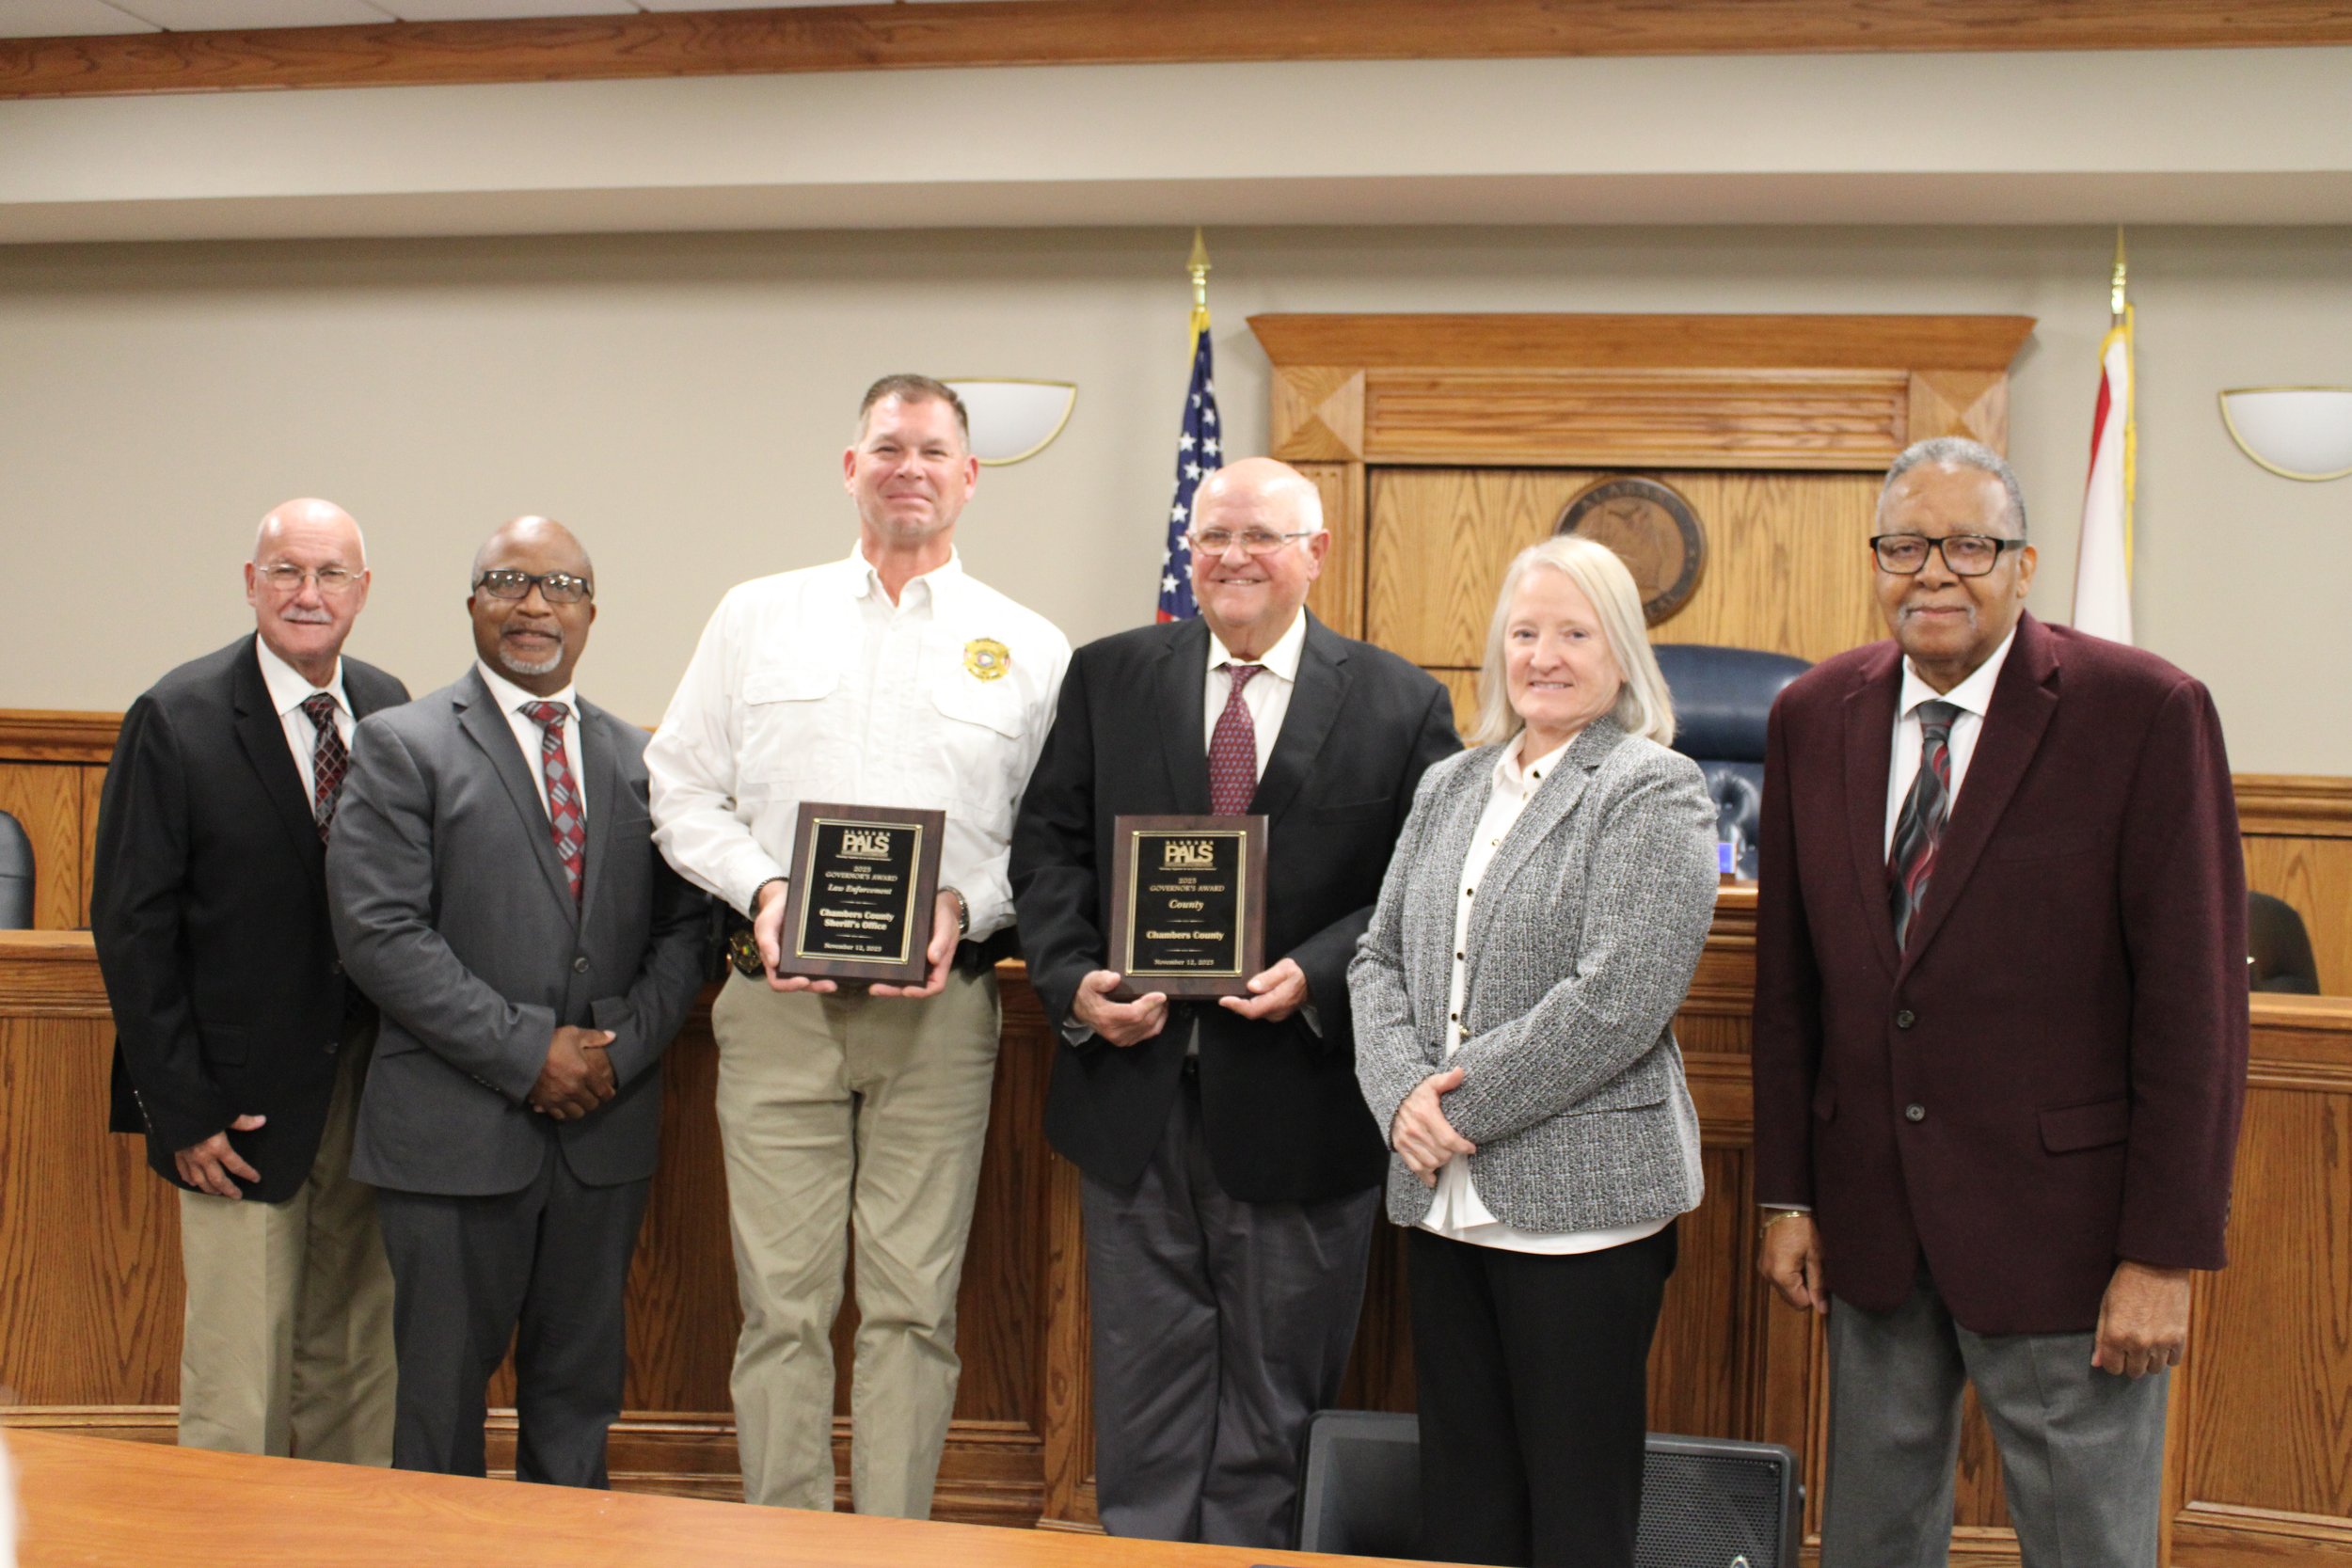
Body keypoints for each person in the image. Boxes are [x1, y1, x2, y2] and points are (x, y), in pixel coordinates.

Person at [1752, 437, 2249, 1568]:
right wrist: (1786, 1195)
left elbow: (2195, 1009)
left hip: (2069, 1236)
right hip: (1872, 1223)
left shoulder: (2143, 709)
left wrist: (2162, 1253)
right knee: (1871, 1542)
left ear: (2023, 565)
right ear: (1875, 562)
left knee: (2086, 1546)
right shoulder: (1813, 711)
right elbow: (1789, 989)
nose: (1933, 570)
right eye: (1904, 545)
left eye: (1968, 544)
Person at [1012, 457, 1459, 1547]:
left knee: (1276, 1399)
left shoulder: (1399, 701)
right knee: (1142, 1392)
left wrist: (1318, 968)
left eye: (1261, 536)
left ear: (1316, 553)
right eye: (1213, 536)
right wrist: (1075, 981)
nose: (1232, 557)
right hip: (1133, 1095)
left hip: (1301, 1098)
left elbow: (1423, 882)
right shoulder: (1108, 675)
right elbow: (1048, 850)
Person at [645, 375, 1070, 1517]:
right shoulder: (755, 617)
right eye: (887, 447)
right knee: (778, 1306)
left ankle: (893, 1542)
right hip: (774, 1005)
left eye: (932, 450)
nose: (908, 468)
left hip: (942, 1015)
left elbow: (1050, 835)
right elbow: (678, 787)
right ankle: (785, 1538)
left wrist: (962, 906)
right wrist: (765, 887)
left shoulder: (1029, 646)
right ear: (850, 468)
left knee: (913, 1308)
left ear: (969, 477)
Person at [1347, 534, 1717, 1568]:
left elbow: (1616, 1000)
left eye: (1573, 633)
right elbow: (1377, 957)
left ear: (1621, 651)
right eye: (1523, 633)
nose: (1543, 656)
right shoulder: (1450, 783)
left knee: (1574, 1512)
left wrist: (1448, 1110)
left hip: (1580, 1209)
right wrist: (1401, 1098)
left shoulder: (1653, 786)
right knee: (1465, 1506)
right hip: (1443, 1199)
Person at [326, 516, 707, 1486]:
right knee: (438, 1406)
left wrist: (619, 1048)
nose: (535, 604)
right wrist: (528, 1051)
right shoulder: (402, 745)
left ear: (591, 614)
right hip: (452, 1135)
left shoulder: (643, 759)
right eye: (508, 581)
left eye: (561, 586)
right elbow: (380, 934)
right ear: (472, 604)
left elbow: (686, 931)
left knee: (578, 1401)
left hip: (600, 1135)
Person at [92, 498, 405, 1464]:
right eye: (286, 571)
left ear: (362, 590)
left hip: (369, 1082)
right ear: (250, 582)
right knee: (241, 1370)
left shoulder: (390, 706)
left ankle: (342, 1529)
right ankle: (226, 1534)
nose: (308, 593)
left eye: (330, 574)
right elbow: (131, 929)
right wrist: (181, 1110)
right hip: (234, 1104)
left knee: (357, 1351)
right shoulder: (176, 715)